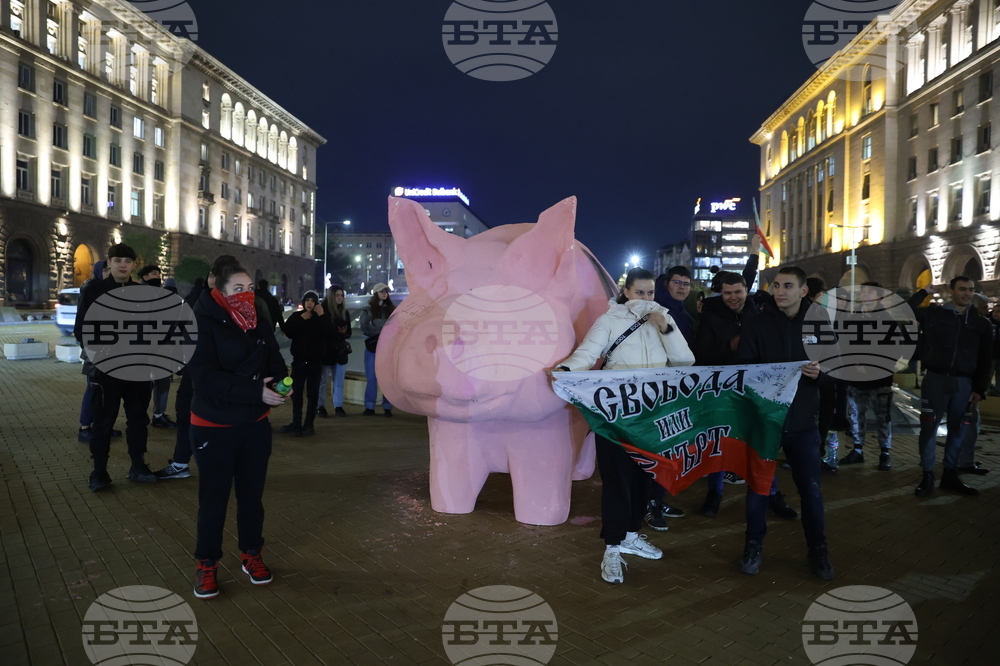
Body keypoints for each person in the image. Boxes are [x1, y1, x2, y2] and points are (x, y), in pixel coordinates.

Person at [553, 268, 695, 584]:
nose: (645, 298)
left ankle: (631, 534)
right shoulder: (610, 320)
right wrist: (567, 369)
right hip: (617, 413)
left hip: (652, 414)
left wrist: (666, 329)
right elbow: (589, 352)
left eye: (650, 293)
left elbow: (685, 362)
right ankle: (613, 547)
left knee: (646, 475)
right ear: (626, 292)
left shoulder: (663, 319)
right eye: (639, 292)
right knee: (617, 480)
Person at [186, 264, 289, 599]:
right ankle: (206, 564)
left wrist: (280, 385)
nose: (246, 295)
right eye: (237, 289)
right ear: (219, 290)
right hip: (213, 426)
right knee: (213, 500)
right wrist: (255, 390)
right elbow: (204, 378)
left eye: (250, 288)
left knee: (251, 498)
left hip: (254, 425)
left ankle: (251, 553)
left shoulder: (257, 319)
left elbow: (274, 359)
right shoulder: (201, 322)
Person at [737, 265, 834, 580]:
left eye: (788, 286)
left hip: (804, 422)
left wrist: (820, 374)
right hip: (766, 420)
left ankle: (818, 550)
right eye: (777, 285)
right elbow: (744, 369)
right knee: (758, 488)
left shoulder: (820, 324)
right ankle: (753, 547)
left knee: (811, 491)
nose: (780, 291)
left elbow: (835, 371)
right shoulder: (757, 324)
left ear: (804, 291)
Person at [691, 271, 797, 520]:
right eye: (727, 293)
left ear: (746, 290)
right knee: (719, 443)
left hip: (756, 389)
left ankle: (771, 493)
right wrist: (729, 346)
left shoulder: (760, 312)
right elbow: (700, 354)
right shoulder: (710, 316)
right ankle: (714, 494)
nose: (733, 297)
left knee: (761, 442)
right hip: (723, 390)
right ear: (721, 292)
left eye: (737, 291)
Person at [74, 244, 157, 491]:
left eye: (128, 261)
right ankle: (99, 472)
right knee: (103, 422)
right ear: (108, 262)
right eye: (118, 260)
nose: (123, 265)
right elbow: (82, 329)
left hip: (137, 368)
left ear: (134, 265)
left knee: (138, 419)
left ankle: (138, 465)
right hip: (106, 369)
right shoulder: (93, 291)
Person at [156, 256, 242, 480]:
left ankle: (227, 467)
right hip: (194, 371)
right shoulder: (199, 297)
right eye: (212, 274)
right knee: (185, 412)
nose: (214, 279)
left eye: (220, 275)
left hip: (222, 375)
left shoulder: (240, 305)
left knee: (221, 420)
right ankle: (180, 462)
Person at [908, 277, 992, 497]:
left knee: (958, 430)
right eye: (962, 289)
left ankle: (950, 474)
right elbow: (906, 310)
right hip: (935, 379)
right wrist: (923, 292)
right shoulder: (934, 314)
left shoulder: (981, 323)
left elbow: (985, 359)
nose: (967, 294)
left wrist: (979, 388)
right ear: (950, 290)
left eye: (970, 290)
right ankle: (927, 475)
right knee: (929, 429)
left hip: (964, 384)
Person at [839, 282, 894, 472]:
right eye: (863, 292)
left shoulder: (887, 320)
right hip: (856, 378)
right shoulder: (854, 318)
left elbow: (893, 350)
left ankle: (885, 452)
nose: (865, 295)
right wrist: (855, 362)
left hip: (881, 378)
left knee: (883, 416)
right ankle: (857, 449)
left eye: (870, 292)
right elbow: (845, 344)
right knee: (856, 414)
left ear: (879, 297)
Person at [77, 261, 122, 444]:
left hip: (111, 349)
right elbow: (82, 324)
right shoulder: (91, 289)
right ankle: (85, 427)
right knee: (93, 388)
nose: (108, 272)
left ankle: (103, 425)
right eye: (104, 269)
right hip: (95, 349)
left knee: (107, 391)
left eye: (109, 269)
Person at [280, 291, 331, 436]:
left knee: (312, 394)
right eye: (307, 300)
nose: (309, 303)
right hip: (299, 361)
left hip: (315, 362)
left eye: (312, 300)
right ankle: (296, 422)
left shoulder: (321, 317)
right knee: (296, 393)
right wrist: (301, 320)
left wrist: (322, 316)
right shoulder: (297, 316)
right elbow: (288, 331)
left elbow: (329, 332)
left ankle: (309, 425)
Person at [139, 266, 177, 430]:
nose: (158, 277)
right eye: (154, 274)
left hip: (162, 344)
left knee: (162, 380)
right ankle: (140, 415)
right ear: (145, 276)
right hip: (146, 345)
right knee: (143, 383)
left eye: (159, 274)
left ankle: (158, 415)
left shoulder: (160, 294)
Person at [360, 283, 395, 416]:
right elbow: (365, 327)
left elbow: (395, 327)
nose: (384, 293)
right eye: (381, 291)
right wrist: (385, 325)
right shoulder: (367, 308)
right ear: (375, 293)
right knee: (371, 377)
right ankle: (370, 406)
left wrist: (375, 322)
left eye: (386, 291)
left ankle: (387, 406)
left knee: (387, 378)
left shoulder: (392, 309)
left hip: (387, 347)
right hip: (373, 346)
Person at [317, 285, 352, 418]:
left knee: (339, 380)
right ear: (331, 296)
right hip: (326, 350)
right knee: (323, 380)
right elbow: (322, 331)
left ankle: (338, 405)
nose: (340, 298)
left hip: (340, 350)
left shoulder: (344, 312)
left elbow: (348, 332)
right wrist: (336, 332)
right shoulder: (323, 310)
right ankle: (320, 406)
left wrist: (342, 333)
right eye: (337, 295)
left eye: (341, 295)